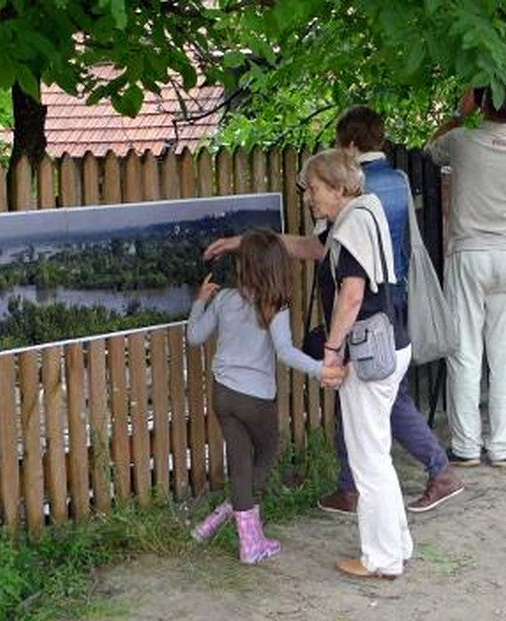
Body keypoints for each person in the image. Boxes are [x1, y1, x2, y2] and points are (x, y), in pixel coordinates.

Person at [205, 149, 413, 579]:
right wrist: (244, 242)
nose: (308, 198)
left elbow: (352, 296)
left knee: (367, 461)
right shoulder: (356, 215)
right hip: (388, 344)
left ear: (339, 188)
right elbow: (305, 247)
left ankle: (382, 558)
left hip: (367, 353)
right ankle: (397, 544)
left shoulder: (352, 225)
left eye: (314, 189)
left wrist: (332, 351)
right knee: (376, 453)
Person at [314, 105, 464, 515]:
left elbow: (329, 254)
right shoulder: (397, 179)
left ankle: (437, 471)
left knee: (383, 397)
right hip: (397, 296)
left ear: (347, 144)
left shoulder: (355, 191)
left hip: (365, 303)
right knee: (376, 393)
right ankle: (349, 487)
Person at [186, 228, 339, 563]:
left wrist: (200, 302)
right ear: (275, 266)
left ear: (245, 265)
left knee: (239, 464)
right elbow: (284, 352)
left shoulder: (224, 298)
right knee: (266, 453)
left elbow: (195, 337)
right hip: (255, 399)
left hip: (223, 394)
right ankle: (235, 516)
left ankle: (244, 538)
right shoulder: (275, 304)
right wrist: (320, 369)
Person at [425, 86, 506, 467]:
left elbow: (430, 149)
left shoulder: (461, 141)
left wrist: (460, 113)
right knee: (505, 356)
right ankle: (503, 446)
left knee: (465, 353)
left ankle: (466, 445)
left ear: (481, 104)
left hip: (469, 253)